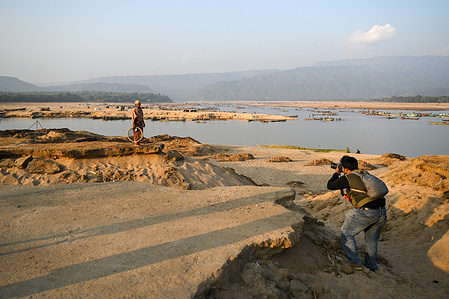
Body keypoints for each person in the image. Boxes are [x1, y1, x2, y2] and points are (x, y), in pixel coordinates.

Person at [327, 155, 387, 272]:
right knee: (371, 241)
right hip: (382, 211)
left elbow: (330, 185)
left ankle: (355, 263)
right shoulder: (365, 174)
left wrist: (336, 173)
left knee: (346, 233)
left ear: (345, 168)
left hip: (367, 212)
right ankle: (371, 266)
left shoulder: (349, 178)